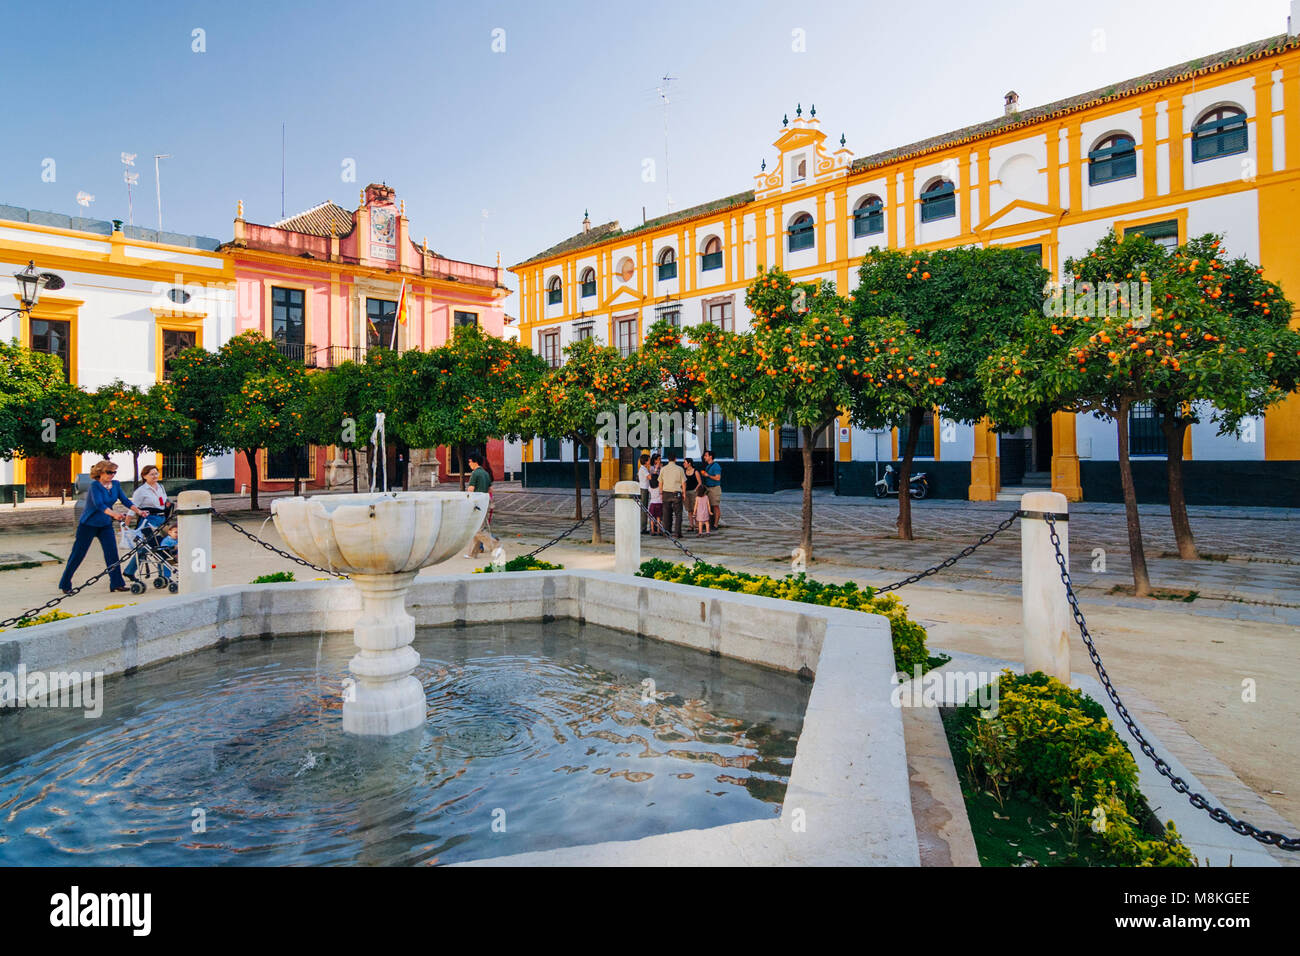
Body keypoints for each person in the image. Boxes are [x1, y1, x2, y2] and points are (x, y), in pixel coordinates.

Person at [59, 459, 146, 594]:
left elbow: (125, 500)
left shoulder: (116, 485)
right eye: (109, 472)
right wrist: (114, 514)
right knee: (78, 554)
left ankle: (116, 583)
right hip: (88, 524)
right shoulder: (95, 486)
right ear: (100, 472)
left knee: (112, 553)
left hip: (105, 524)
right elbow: (100, 505)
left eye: (114, 472)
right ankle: (65, 583)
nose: (112, 475)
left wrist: (139, 511)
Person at [124, 464, 168, 583]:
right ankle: (164, 575)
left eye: (156, 473)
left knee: (156, 546)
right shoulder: (141, 491)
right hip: (149, 521)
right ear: (144, 476)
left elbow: (163, 502)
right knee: (154, 546)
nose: (155, 476)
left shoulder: (161, 487)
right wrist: (126, 525)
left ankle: (129, 571)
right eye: (151, 474)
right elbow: (132, 508)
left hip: (162, 519)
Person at [464, 453, 498, 559]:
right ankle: (473, 553)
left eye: (469, 461)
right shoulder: (485, 473)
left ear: (474, 461)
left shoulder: (475, 474)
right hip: (485, 503)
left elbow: (471, 489)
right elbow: (490, 489)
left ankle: (495, 545)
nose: (469, 464)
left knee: (477, 530)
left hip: (476, 504)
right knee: (477, 528)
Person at [658, 452, 685, 537]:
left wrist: (661, 493)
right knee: (678, 514)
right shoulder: (680, 469)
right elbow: (683, 482)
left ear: (668, 459)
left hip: (666, 493)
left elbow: (660, 482)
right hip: (677, 493)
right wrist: (684, 493)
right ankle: (677, 532)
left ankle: (666, 532)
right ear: (675, 459)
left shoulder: (663, 469)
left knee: (666, 513)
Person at [701, 450, 723, 530]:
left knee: (715, 506)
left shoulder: (716, 466)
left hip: (714, 488)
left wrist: (708, 475)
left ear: (710, 456)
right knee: (708, 506)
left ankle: (715, 525)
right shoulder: (707, 466)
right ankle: (709, 523)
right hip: (708, 488)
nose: (704, 457)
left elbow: (718, 478)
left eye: (706, 456)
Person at [693, 470, 712, 535]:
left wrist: (694, 512)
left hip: (699, 513)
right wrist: (710, 511)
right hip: (706, 512)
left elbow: (695, 506)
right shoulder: (706, 497)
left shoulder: (697, 498)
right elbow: (708, 504)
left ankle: (700, 532)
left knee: (700, 523)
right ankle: (707, 532)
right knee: (707, 522)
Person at [683, 458, 699, 532]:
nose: (684, 464)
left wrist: (695, 490)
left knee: (695, 509)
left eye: (685, 462)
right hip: (686, 492)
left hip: (693, 492)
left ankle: (697, 525)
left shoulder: (695, 471)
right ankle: (691, 525)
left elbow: (700, 482)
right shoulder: (684, 472)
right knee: (689, 510)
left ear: (689, 463)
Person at [637, 453, 651, 534]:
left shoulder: (644, 468)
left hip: (644, 489)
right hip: (644, 489)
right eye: (649, 460)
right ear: (646, 461)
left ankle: (644, 527)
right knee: (644, 509)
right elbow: (650, 477)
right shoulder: (643, 469)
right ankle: (643, 528)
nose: (650, 461)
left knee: (644, 509)